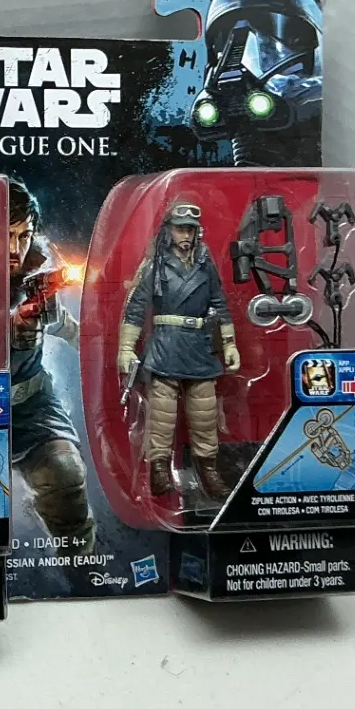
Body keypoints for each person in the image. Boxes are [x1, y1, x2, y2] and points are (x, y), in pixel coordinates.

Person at [118, 199, 241, 499]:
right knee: (161, 417)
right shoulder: (155, 265)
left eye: (190, 230)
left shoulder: (205, 264)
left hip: (199, 347)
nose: (185, 235)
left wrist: (229, 344)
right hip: (166, 346)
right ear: (169, 231)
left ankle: (208, 471)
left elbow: (220, 304)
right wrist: (126, 348)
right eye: (180, 229)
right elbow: (135, 308)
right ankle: (159, 470)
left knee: (205, 416)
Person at [5, 182, 94, 554]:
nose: (15, 248)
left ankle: (86, 567)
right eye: (6, 235)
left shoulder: (34, 283)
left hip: (31, 406)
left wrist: (111, 351)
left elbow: (71, 330)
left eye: (23, 236)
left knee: (64, 474)